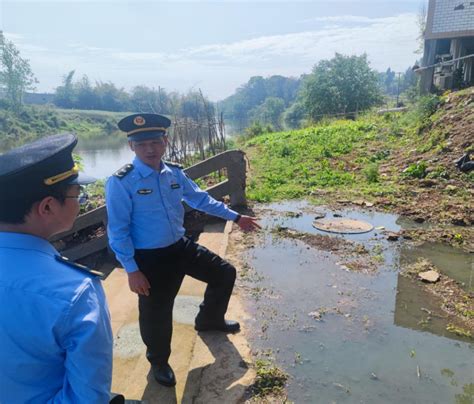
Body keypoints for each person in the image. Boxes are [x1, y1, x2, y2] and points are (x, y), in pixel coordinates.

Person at [105, 113, 260, 387]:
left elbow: (199, 198)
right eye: (141, 145)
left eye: (155, 142)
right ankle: (159, 361)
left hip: (180, 247)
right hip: (150, 258)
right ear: (131, 146)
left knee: (224, 273)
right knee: (157, 312)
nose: (150, 149)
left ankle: (209, 319)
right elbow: (117, 230)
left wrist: (235, 217)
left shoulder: (174, 173)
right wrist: (132, 269)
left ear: (165, 141)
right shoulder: (121, 182)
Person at [0, 134, 115, 403]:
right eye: (76, 193)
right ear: (48, 206)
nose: (80, 199)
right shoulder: (74, 293)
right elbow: (87, 399)